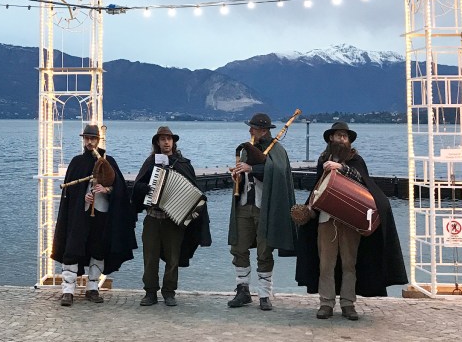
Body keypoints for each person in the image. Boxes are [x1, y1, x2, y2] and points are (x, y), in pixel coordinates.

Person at [294, 122, 408, 321]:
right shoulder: (323, 160)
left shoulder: (356, 160)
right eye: (339, 135)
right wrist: (310, 210)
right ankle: (326, 303)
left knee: (349, 264)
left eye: (345, 136)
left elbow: (362, 180)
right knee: (326, 265)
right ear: (331, 138)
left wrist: (341, 167)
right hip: (326, 220)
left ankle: (348, 304)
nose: (342, 139)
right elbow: (318, 189)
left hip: (350, 221)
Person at [50, 123, 136, 307]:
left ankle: (92, 288)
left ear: (98, 140)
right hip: (79, 215)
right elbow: (69, 193)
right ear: (83, 140)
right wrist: (83, 196)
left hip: (101, 213)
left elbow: (120, 188)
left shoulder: (108, 161)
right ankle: (68, 290)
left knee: (98, 249)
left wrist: (107, 189)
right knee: (72, 248)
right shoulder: (77, 162)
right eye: (87, 138)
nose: (89, 142)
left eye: (93, 139)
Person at [131, 125, 211, 307]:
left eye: (169, 139)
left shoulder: (183, 164)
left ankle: (169, 292)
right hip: (153, 217)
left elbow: (195, 191)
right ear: (157, 143)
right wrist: (148, 188)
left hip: (173, 220)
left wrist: (194, 208)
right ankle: (150, 292)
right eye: (163, 139)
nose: (166, 142)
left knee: (173, 258)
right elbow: (137, 186)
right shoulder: (150, 162)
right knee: (150, 258)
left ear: (173, 142)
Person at [227, 113, 297, 311]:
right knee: (239, 247)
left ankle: (265, 294)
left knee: (264, 251)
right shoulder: (247, 149)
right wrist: (237, 175)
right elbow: (245, 173)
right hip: (243, 205)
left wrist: (252, 169)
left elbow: (278, 172)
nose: (250, 131)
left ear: (264, 131)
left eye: (254, 128)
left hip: (265, 208)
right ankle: (242, 291)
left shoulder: (277, 150)